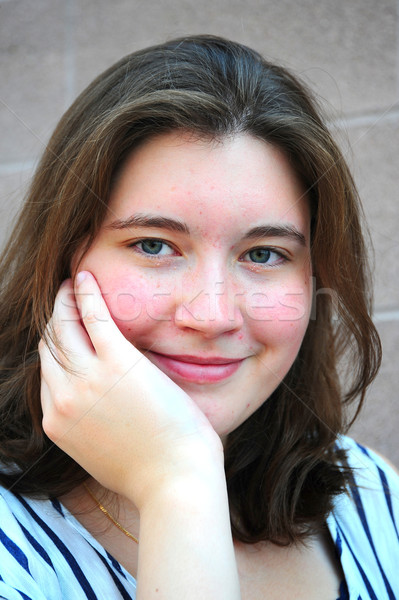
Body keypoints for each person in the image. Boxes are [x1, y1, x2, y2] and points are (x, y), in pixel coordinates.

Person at [0, 35, 397, 600]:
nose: (211, 316)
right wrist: (177, 484)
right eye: (154, 245)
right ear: (63, 258)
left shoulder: (368, 493)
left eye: (264, 254)